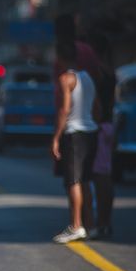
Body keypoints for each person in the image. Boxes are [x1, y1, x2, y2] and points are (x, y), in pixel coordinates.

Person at [51, 41, 99, 244]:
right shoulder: (88, 78)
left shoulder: (66, 78)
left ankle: (76, 225)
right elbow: (98, 107)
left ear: (61, 59)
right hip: (90, 131)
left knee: (73, 181)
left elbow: (64, 109)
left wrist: (56, 137)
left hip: (74, 133)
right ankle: (90, 225)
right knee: (85, 180)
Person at [87, 32, 117, 239]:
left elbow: (96, 102)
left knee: (100, 178)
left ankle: (101, 222)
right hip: (108, 125)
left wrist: (94, 124)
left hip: (98, 126)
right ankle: (105, 222)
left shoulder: (96, 72)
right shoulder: (110, 72)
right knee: (104, 176)